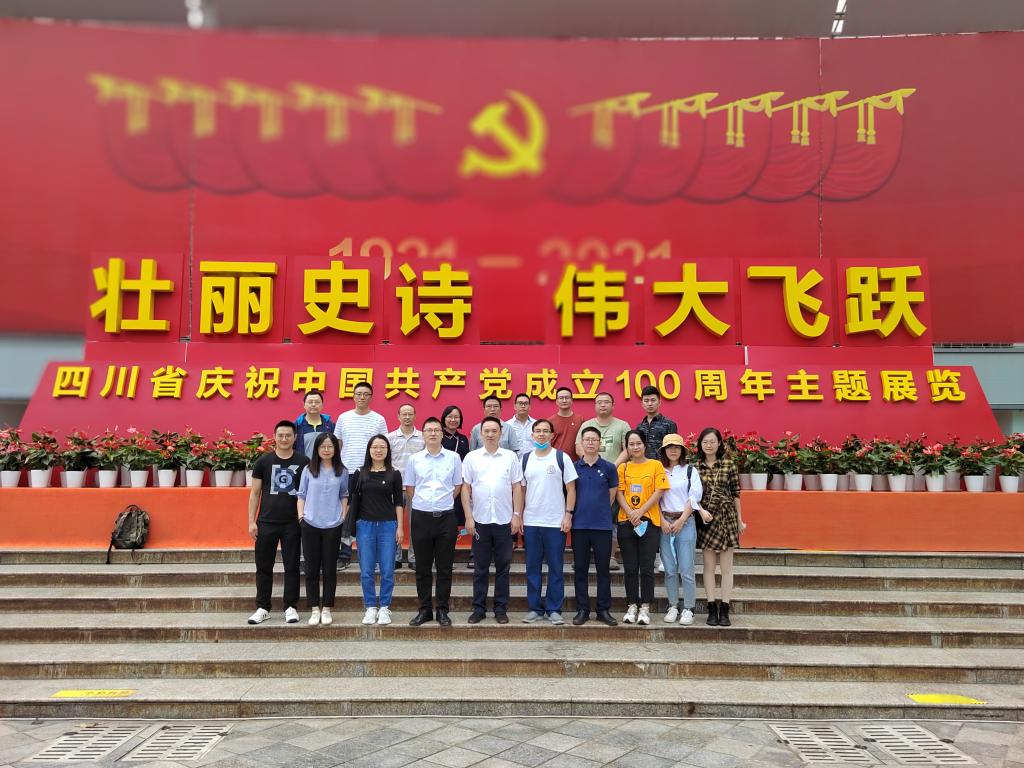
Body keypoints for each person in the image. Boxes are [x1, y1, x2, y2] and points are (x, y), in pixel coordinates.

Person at [461, 416, 524, 624]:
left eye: (494, 431)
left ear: (501, 433)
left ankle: (500, 608)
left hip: (504, 520)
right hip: (480, 520)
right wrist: (468, 517)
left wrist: (517, 515)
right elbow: (466, 488)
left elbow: (517, 486)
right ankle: (478, 608)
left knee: (503, 567)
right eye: (486, 431)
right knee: (480, 568)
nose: (490, 434)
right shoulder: (471, 457)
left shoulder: (510, 457)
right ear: (480, 433)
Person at [247, 420, 309, 625]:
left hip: (293, 523)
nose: (284, 439)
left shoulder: (304, 462)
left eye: (288, 435)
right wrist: (251, 521)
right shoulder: (263, 462)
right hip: (266, 522)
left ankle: (290, 607)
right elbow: (255, 493)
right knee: (263, 566)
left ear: (295, 437)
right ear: (274, 437)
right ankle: (262, 607)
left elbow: (308, 492)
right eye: (280, 435)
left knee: (292, 566)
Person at [404, 417, 463, 627]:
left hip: (446, 517)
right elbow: (410, 489)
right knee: (422, 568)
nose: (433, 433)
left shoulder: (454, 458)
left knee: (445, 568)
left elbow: (457, 486)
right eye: (428, 430)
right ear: (423, 434)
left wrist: (441, 502)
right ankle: (425, 610)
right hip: (421, 517)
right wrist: (426, 504)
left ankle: (443, 611)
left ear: (442, 433)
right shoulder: (414, 459)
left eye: (436, 430)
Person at [343, 435, 405, 626]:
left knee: (387, 570)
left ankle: (385, 607)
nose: (378, 450)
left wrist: (400, 527)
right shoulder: (360, 473)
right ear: (369, 450)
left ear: (388, 450)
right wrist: (347, 522)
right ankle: (370, 606)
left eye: (382, 447)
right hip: (365, 526)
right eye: (375, 447)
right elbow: (351, 500)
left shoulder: (394, 473)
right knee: (367, 570)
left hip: (388, 525)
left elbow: (399, 502)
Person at [520, 419, 577, 625]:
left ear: (552, 435)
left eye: (546, 431)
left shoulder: (561, 457)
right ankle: (535, 608)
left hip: (555, 522)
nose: (542, 434)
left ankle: (554, 608)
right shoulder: (525, 459)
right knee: (532, 567)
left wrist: (568, 514)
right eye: (538, 431)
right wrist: (519, 515)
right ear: (532, 435)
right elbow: (522, 490)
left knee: (555, 567)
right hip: (531, 521)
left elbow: (571, 489)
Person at [616, 430, 669, 625]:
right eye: (631, 444)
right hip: (626, 521)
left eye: (638, 443)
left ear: (645, 445)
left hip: (649, 522)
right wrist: (631, 512)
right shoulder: (623, 468)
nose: (635, 447)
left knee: (647, 567)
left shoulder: (655, 465)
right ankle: (631, 605)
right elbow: (619, 492)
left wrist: (640, 511)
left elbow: (659, 491)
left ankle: (645, 607)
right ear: (626, 447)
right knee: (630, 567)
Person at [334, 381, 388, 570]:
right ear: (353, 396)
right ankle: (344, 554)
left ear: (371, 397)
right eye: (359, 394)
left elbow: (383, 445)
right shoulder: (344, 418)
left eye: (366, 394)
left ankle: (373, 558)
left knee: (370, 513)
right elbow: (338, 445)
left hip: (371, 472)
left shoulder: (378, 419)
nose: (362, 397)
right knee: (346, 513)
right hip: (347, 472)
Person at [696, 426, 746, 627]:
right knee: (708, 566)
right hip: (706, 518)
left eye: (712, 441)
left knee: (726, 567)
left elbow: (736, 494)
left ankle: (725, 608)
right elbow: (692, 496)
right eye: (705, 442)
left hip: (727, 517)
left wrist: (740, 520)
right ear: (700, 444)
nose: (709, 445)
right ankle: (711, 607)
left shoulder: (729, 465)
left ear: (719, 444)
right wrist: (701, 510)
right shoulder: (695, 467)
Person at [296, 432, 348, 625]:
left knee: (329, 569)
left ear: (336, 449)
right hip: (310, 523)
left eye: (330, 446)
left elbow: (344, 494)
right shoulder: (308, 469)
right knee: (311, 569)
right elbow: (301, 494)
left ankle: (326, 608)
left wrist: (342, 516)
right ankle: (314, 608)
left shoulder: (342, 471)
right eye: (323, 446)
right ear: (316, 449)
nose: (326, 450)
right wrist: (301, 516)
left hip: (332, 525)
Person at [576, 391, 630, 571]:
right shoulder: (587, 425)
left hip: (612, 475)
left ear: (613, 405)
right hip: (588, 473)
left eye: (606, 402)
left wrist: (612, 466)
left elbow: (627, 448)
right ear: (595, 405)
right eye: (599, 402)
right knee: (584, 513)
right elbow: (578, 446)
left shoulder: (622, 425)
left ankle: (611, 556)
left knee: (611, 517)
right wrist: (590, 461)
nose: (603, 405)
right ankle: (582, 556)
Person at [570, 426, 619, 626]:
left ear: (600, 443)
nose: (590, 443)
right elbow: (569, 493)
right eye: (587, 439)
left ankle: (603, 610)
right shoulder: (574, 467)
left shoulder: (609, 468)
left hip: (602, 526)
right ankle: (582, 609)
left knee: (603, 570)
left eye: (594, 439)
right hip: (579, 526)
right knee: (580, 569)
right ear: (581, 443)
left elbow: (612, 495)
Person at [658, 433, 703, 626]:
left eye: (677, 447)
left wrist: (682, 520)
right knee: (669, 569)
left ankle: (689, 608)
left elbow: (694, 497)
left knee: (686, 569)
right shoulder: (658, 470)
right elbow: (654, 498)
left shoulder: (690, 471)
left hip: (685, 522)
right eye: (669, 447)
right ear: (664, 451)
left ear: (682, 450)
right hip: (665, 523)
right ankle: (673, 605)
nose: (673, 450)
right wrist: (662, 520)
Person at [635, 385, 677, 572]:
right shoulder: (640, 427)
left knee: (663, 512)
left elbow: (673, 450)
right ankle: (649, 554)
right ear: (642, 403)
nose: (649, 403)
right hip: (644, 475)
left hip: (662, 473)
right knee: (647, 513)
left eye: (653, 400)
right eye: (646, 400)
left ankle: (664, 556)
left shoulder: (669, 424)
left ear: (659, 402)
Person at [387, 403, 424, 569]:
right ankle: (394, 557)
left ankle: (414, 557)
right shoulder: (390, 438)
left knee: (415, 524)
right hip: (394, 487)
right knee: (393, 524)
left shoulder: (423, 437)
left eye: (410, 414)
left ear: (415, 416)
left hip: (416, 488)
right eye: (404, 414)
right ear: (398, 416)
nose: (407, 417)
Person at [440, 405, 472, 567]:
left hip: (459, 486)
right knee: (441, 523)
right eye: (450, 416)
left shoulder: (463, 439)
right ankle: (440, 558)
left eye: (456, 417)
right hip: (441, 486)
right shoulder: (438, 436)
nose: (453, 420)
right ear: (444, 418)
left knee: (453, 524)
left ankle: (449, 556)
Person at [295, 390, 335, 459]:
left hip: (325, 465)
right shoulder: (296, 426)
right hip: (304, 465)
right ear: (304, 405)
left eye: (317, 402)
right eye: (310, 402)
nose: (313, 404)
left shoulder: (331, 426)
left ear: (322, 405)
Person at [548, 386, 583, 460]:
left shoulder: (580, 419)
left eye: (567, 398)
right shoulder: (550, 421)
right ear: (556, 401)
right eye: (561, 398)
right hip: (557, 461)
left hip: (577, 462)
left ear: (572, 400)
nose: (564, 400)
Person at [504, 392, 535, 459]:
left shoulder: (536, 425)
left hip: (532, 462)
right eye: (520, 403)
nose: (523, 406)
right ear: (515, 406)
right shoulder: (507, 425)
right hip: (513, 462)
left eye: (526, 403)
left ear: (529, 407)